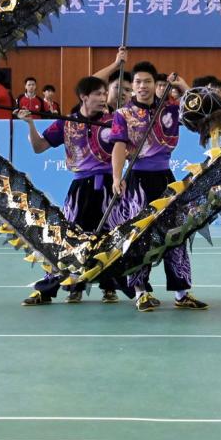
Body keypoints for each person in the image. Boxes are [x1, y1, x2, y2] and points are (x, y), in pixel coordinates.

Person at [106, 61, 204, 312]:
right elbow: (118, 146)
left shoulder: (170, 109)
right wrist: (117, 177)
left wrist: (182, 84)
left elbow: (199, 108)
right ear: (132, 86)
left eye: (147, 81)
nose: (142, 86)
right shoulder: (123, 114)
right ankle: (140, 292)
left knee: (176, 233)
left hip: (166, 179)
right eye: (137, 82)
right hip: (137, 181)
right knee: (138, 236)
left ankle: (182, 293)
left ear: (155, 84)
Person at [18, 76, 119, 305]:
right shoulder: (67, 123)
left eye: (105, 93)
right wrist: (30, 124)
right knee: (67, 238)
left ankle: (110, 286)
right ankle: (66, 287)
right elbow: (38, 147)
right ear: (84, 97)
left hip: (108, 187)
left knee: (111, 237)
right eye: (98, 94)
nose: (103, 98)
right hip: (80, 188)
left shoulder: (113, 121)